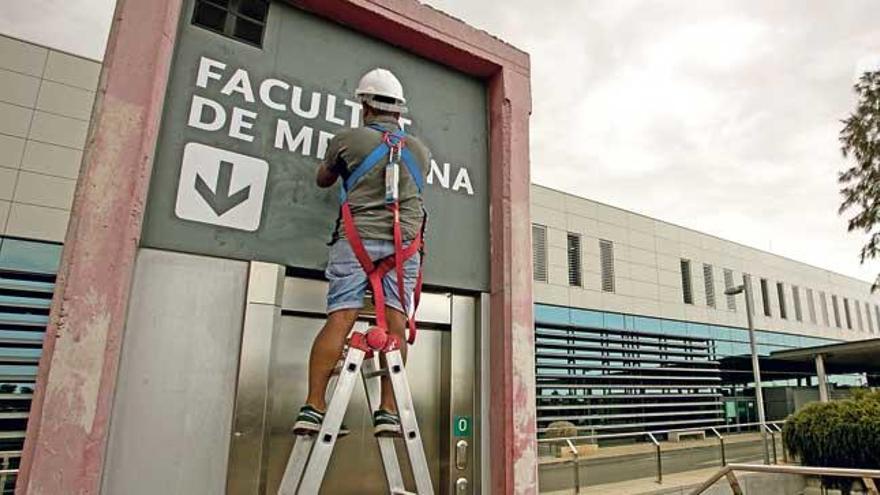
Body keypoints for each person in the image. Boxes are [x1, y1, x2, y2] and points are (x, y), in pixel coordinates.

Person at [293, 68, 430, 438]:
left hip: (356, 241)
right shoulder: (420, 150)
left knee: (342, 317)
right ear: (399, 111)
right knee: (397, 322)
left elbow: (324, 178)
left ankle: (313, 406)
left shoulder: (346, 140)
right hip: (404, 247)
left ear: (366, 106)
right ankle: (388, 411)